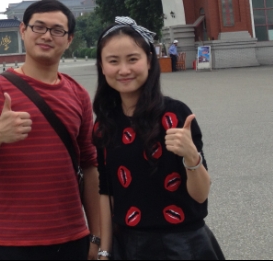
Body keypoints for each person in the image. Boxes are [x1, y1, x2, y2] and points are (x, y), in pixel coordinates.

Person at [0, 0, 101, 260]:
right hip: (12, 241)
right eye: (39, 27)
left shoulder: (78, 94)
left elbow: (90, 166)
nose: (47, 36)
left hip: (72, 238)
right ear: (23, 31)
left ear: (69, 39)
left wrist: (96, 236)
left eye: (57, 30)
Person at [93, 17, 223, 261]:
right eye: (113, 61)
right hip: (129, 245)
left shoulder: (175, 115)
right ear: (101, 65)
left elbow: (200, 194)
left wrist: (191, 156)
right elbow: (106, 192)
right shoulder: (104, 125)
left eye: (133, 59)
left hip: (184, 244)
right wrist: (104, 251)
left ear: (149, 60)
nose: (124, 70)